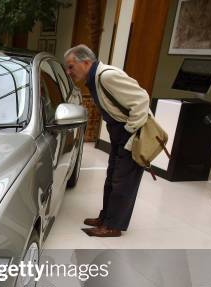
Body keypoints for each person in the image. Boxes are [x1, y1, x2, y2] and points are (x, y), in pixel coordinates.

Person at [64, 44, 150, 237]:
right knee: (112, 176)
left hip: (131, 133)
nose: (68, 72)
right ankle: (106, 218)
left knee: (123, 181)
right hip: (120, 132)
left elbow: (142, 99)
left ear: (86, 62)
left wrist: (129, 130)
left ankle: (113, 226)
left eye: (71, 66)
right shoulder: (94, 78)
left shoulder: (107, 76)